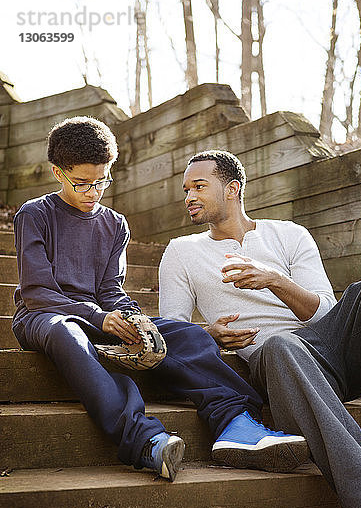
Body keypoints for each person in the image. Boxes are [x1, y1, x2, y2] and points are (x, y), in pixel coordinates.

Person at [12, 117, 308, 485]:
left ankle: (235, 423)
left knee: (189, 335)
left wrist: (133, 319)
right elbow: (38, 292)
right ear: (58, 173)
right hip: (45, 316)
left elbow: (110, 290)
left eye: (102, 181)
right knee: (67, 335)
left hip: (101, 316)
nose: (93, 192)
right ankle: (145, 440)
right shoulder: (35, 214)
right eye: (81, 183)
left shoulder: (115, 224)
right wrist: (97, 318)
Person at [158, 149, 361, 508]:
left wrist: (274, 280)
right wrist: (210, 334)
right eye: (186, 189)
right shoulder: (181, 252)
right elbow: (173, 331)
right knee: (280, 344)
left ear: (233, 189)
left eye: (199, 186)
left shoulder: (288, 234)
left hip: (328, 347)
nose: (189, 196)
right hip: (270, 363)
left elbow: (324, 310)